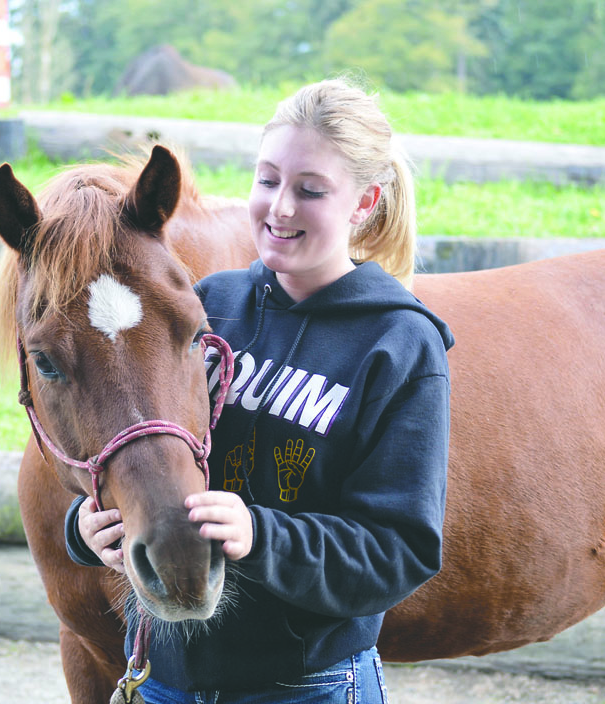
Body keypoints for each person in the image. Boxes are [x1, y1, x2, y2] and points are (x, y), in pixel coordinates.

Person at [65, 77, 454, 703]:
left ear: (364, 202)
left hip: (307, 685)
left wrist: (262, 535)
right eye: (268, 180)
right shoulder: (207, 307)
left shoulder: (399, 344)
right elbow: (140, 448)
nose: (279, 207)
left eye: (310, 190)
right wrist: (85, 527)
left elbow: (400, 550)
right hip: (168, 681)